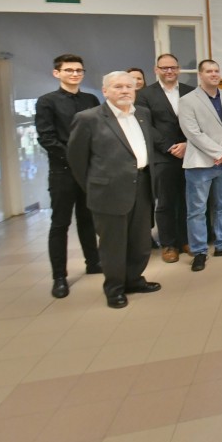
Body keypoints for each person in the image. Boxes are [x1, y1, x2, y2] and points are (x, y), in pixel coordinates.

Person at [67, 71, 160, 308]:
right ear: (105, 91)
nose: (125, 91)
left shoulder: (142, 114)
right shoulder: (89, 118)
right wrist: (95, 187)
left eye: (129, 86)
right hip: (109, 192)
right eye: (118, 87)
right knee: (113, 244)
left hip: (142, 185)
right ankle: (115, 289)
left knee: (140, 241)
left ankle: (134, 280)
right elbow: (77, 160)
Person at [35, 54, 102, 299]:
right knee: (60, 223)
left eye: (78, 70)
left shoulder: (90, 100)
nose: (75, 74)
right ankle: (59, 277)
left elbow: (98, 133)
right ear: (57, 73)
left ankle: (93, 262)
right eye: (69, 70)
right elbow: (46, 138)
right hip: (62, 171)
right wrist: (74, 159)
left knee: (88, 219)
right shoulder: (47, 101)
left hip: (89, 171)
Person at [179, 59, 222, 272]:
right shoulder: (188, 100)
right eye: (209, 71)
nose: (214, 74)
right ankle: (199, 251)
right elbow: (192, 133)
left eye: (217, 70)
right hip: (200, 164)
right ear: (200, 75)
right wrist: (219, 153)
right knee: (197, 210)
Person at [136, 53, 194, 263]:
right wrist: (169, 147)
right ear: (156, 70)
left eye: (173, 67)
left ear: (178, 69)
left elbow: (199, 121)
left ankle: (186, 240)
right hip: (163, 156)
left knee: (187, 201)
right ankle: (169, 244)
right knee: (166, 202)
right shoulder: (144, 95)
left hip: (190, 154)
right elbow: (146, 126)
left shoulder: (190, 91)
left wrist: (187, 144)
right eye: (164, 68)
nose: (169, 71)